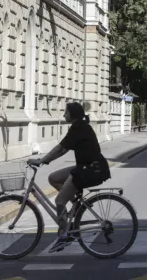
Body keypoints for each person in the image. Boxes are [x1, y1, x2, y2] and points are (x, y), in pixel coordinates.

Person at [29, 101, 111, 249]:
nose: (63, 115)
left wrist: (42, 161)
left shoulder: (78, 128)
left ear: (72, 114)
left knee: (60, 200)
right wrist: (44, 161)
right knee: (53, 178)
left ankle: (64, 235)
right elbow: (63, 149)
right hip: (86, 168)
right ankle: (77, 205)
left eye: (65, 112)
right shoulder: (79, 126)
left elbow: (61, 148)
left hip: (92, 169)